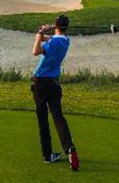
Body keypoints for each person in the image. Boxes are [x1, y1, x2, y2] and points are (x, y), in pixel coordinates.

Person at [31, 15, 80, 171]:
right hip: (54, 82)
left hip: (40, 82)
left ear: (57, 25)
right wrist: (43, 32)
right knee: (58, 117)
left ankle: (48, 155)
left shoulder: (53, 42)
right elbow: (46, 38)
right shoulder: (65, 40)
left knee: (43, 119)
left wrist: (41, 33)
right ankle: (69, 149)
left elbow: (35, 51)